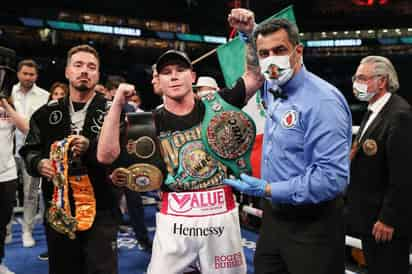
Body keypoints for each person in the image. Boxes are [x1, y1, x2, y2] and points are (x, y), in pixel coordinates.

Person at [97, 47, 263, 273]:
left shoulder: (217, 104)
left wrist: (249, 35)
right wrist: (116, 103)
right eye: (166, 72)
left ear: (192, 76)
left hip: (220, 216)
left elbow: (255, 76)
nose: (174, 76)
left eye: (180, 69)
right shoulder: (146, 122)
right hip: (175, 218)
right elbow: (105, 155)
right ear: (158, 80)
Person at [223, 8, 352, 274]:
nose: (272, 60)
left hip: (313, 225)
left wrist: (269, 189)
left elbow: (332, 179)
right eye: (264, 54)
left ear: (298, 52)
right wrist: (250, 33)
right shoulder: (274, 83)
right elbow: (259, 65)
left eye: (280, 50)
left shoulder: (323, 102)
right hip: (274, 218)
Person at [19, 44, 121, 274]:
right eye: (78, 65)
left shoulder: (113, 112)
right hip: (59, 208)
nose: (85, 71)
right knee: (63, 268)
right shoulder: (44, 114)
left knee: (101, 269)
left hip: (102, 207)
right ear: (67, 72)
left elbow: (121, 155)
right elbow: (29, 150)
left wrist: (92, 148)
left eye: (91, 67)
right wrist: (39, 163)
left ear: (97, 74)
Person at [346, 56, 412, 274]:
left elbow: (403, 174)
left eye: (363, 78)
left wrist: (388, 218)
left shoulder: (399, 115)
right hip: (369, 216)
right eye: (356, 78)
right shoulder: (373, 110)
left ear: (382, 81)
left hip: (384, 223)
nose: (357, 83)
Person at [11, 59, 49, 248]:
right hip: (6, 151)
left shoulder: (44, 96)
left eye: (31, 74)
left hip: (32, 152)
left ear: (36, 76)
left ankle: (27, 231)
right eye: (25, 73)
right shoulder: (7, 93)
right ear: (18, 74)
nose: (28, 77)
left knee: (31, 194)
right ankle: (6, 230)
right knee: (6, 194)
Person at [0, 46, 28, 274]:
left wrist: (5, 104)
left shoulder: (8, 104)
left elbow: (26, 128)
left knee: (1, 226)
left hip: (7, 174)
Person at [38, 81, 69, 261]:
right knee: (50, 212)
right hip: (51, 173)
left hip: (71, 174)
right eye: (55, 93)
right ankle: (53, 249)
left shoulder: (74, 117)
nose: (58, 97)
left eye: (61, 94)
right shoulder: (44, 116)